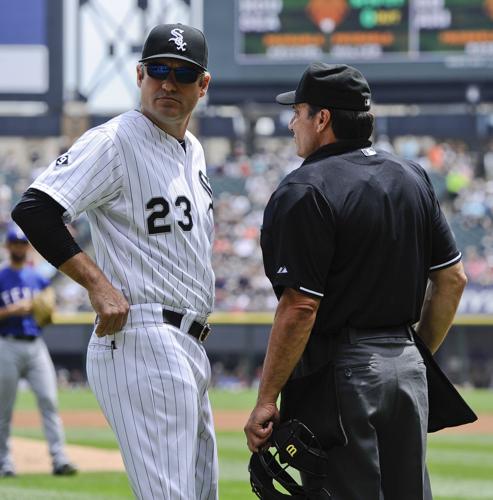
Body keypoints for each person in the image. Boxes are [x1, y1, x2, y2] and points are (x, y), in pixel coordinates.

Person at [244, 62, 468, 499]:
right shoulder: (413, 176)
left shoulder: (305, 188)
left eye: (299, 111)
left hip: (344, 373)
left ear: (322, 119)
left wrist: (267, 399)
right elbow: (453, 279)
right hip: (407, 364)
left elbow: (301, 306)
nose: (293, 122)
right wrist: (416, 352)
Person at [13, 23, 217, 499]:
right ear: (140, 74)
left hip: (190, 342)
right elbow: (34, 209)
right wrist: (97, 284)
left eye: (183, 73)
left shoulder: (196, 151)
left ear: (202, 85)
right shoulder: (114, 141)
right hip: (143, 337)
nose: (168, 83)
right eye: (159, 70)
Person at [0, 224, 77, 477]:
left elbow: (48, 309)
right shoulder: (1, 275)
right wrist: (13, 310)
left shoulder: (37, 277)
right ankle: (4, 461)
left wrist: (47, 306)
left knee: (49, 401)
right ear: (8, 246)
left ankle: (59, 459)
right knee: (3, 407)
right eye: (16, 243)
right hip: (7, 344)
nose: (20, 247)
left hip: (35, 344)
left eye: (23, 243)